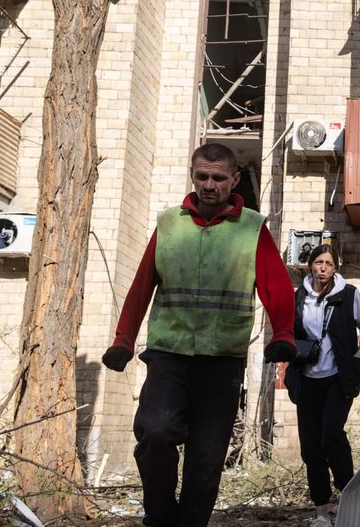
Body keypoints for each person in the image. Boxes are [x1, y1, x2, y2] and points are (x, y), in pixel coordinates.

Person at [100, 143, 296, 527]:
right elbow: (142, 286)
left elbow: (278, 288)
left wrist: (283, 334)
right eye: (202, 176)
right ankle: (159, 517)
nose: (209, 184)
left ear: (234, 180)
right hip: (168, 354)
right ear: (193, 176)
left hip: (222, 361)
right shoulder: (169, 224)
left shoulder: (252, 229)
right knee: (155, 433)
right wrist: (123, 340)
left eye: (219, 178)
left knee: (205, 462)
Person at [285, 243, 360, 522]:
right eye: (318, 263)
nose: (323, 268)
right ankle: (322, 510)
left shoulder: (348, 295)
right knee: (311, 445)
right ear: (310, 265)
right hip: (307, 378)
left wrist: (357, 354)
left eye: (329, 264)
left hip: (338, 377)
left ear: (336, 268)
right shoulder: (299, 296)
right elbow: (288, 329)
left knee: (331, 434)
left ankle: (348, 492)